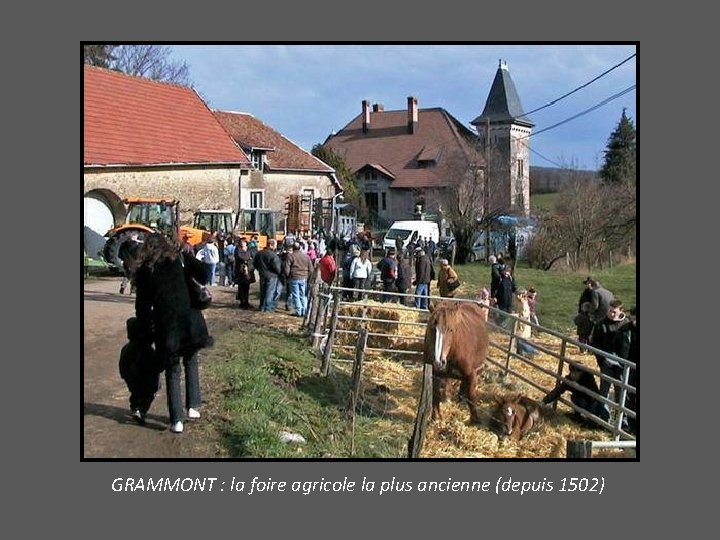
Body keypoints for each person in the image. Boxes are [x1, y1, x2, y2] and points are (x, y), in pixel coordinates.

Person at [131, 232, 213, 434]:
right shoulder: (179, 259)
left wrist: (144, 332)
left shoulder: (145, 270)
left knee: (172, 369)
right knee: (191, 361)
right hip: (190, 319)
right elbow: (204, 274)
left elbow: (142, 306)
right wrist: (187, 254)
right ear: (167, 245)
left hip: (166, 324)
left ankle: (176, 420)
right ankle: (193, 407)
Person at [590, 299, 632, 425]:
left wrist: (626, 362)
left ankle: (621, 421)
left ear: (621, 311)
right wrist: (601, 360)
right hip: (606, 362)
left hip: (622, 364)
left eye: (614, 312)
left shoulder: (626, 324)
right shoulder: (600, 324)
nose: (612, 314)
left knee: (621, 392)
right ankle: (604, 417)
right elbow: (595, 344)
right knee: (604, 390)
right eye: (610, 311)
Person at [118, 316, 161, 425]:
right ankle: (141, 410)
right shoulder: (149, 351)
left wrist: (123, 374)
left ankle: (135, 408)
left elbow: (122, 363)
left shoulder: (127, 348)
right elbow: (156, 365)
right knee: (149, 393)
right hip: (147, 379)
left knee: (136, 393)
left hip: (131, 378)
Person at [283, 242, 314, 317]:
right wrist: (308, 276)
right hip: (304, 278)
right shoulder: (306, 256)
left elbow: (287, 268)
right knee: (303, 295)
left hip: (294, 277)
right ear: (300, 248)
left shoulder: (290, 256)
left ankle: (298, 311)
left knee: (295, 295)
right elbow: (311, 269)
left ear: (293, 248)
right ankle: (305, 311)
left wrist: (287, 276)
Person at [253, 239, 282, 312]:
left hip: (262, 274)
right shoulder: (273, 255)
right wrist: (279, 273)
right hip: (272, 275)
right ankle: (267, 307)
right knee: (269, 292)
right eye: (275, 245)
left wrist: (260, 270)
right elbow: (277, 267)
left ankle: (262, 306)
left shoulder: (259, 253)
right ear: (271, 245)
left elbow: (255, 264)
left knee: (263, 291)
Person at [514, 289, 537, 357]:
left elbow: (525, 314)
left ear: (522, 296)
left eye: (519, 295)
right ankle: (519, 353)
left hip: (523, 324)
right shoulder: (520, 302)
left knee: (522, 340)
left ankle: (531, 352)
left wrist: (519, 316)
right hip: (519, 323)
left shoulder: (524, 303)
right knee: (518, 340)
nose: (517, 296)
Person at [234, 238, 256, 309]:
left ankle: (246, 302)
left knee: (247, 287)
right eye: (241, 242)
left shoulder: (249, 249)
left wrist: (248, 258)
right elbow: (241, 257)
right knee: (241, 286)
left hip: (248, 270)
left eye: (243, 242)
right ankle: (242, 302)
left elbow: (252, 256)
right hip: (241, 271)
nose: (242, 243)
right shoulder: (237, 250)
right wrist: (248, 258)